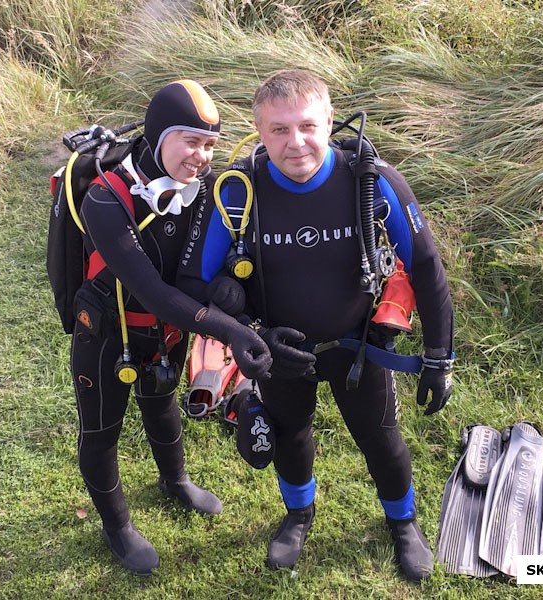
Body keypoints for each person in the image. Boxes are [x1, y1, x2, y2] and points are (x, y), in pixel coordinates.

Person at [177, 70, 454, 582]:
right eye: (279, 130)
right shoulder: (236, 191)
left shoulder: (371, 181)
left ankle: (403, 522)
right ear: (259, 131)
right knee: (289, 434)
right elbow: (194, 282)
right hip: (277, 349)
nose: (296, 142)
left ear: (329, 121)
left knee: (380, 438)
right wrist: (251, 333)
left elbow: (427, 267)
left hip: (358, 347)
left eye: (307, 125)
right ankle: (298, 514)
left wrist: (440, 359)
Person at [68, 80, 272, 575]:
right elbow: (152, 289)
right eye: (190, 140)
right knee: (101, 431)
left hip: (166, 333)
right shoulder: (105, 198)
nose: (201, 156)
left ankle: (174, 481)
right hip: (107, 334)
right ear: (159, 136)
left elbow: (188, 275)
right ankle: (116, 525)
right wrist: (229, 332)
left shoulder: (200, 189)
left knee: (161, 406)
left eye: (209, 145)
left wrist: (227, 292)